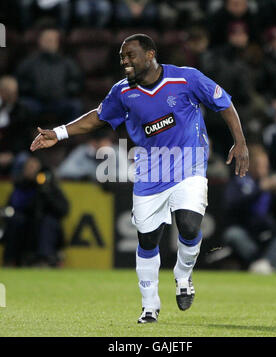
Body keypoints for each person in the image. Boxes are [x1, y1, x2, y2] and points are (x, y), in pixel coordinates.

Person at [30, 34, 249, 323]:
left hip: (189, 166)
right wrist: (57, 133)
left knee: (189, 223)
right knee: (147, 240)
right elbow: (98, 117)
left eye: (130, 55)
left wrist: (241, 142)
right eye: (122, 57)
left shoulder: (186, 79)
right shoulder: (122, 92)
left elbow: (224, 103)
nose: (125, 62)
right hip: (149, 172)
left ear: (150, 55)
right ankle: (150, 305)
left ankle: (183, 275)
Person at [223, 145, 276, 274]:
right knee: (233, 234)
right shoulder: (239, 181)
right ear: (250, 165)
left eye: (265, 165)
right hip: (246, 231)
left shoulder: (270, 182)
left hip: (267, 231)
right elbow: (233, 205)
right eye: (261, 165)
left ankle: (266, 264)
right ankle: (267, 264)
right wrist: (259, 190)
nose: (265, 168)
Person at [3, 154, 69, 267]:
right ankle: (11, 259)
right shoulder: (21, 187)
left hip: (46, 227)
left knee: (47, 222)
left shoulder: (50, 187)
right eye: (29, 168)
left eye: (34, 168)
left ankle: (44, 258)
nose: (31, 171)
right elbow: (12, 207)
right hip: (25, 225)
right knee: (16, 220)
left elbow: (63, 210)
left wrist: (46, 194)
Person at [16, 26, 83, 124]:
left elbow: (77, 81)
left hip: (60, 101)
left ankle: (71, 136)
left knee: (76, 105)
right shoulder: (29, 62)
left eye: (52, 40)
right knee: (22, 105)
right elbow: (19, 81)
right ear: (39, 42)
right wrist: (32, 89)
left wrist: (66, 90)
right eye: (46, 40)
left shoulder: (67, 62)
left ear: (58, 43)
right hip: (36, 102)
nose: (48, 43)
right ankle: (26, 137)